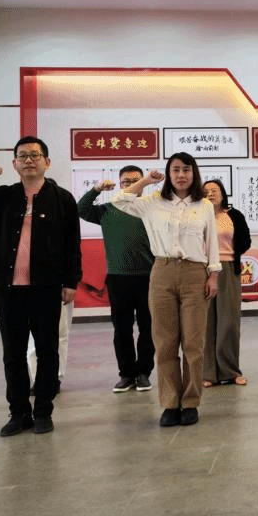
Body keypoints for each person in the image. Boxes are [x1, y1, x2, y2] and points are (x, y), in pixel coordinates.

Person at [0, 136, 81, 436]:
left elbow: (72, 243)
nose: (29, 160)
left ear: (47, 162)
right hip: (9, 291)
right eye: (23, 156)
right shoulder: (0, 198)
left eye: (35, 155)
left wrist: (71, 281)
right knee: (13, 354)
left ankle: (43, 411)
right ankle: (18, 413)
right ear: (15, 164)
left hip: (46, 289)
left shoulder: (63, 199)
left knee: (48, 351)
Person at [112, 153, 220, 427]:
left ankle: (191, 402)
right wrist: (146, 181)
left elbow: (212, 242)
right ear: (168, 174)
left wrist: (213, 275)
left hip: (195, 273)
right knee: (165, 342)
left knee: (193, 343)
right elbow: (119, 200)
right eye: (175, 170)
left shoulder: (204, 205)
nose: (181, 175)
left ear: (194, 173)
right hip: (162, 271)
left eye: (186, 170)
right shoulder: (152, 202)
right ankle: (170, 403)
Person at [78, 165, 156, 393]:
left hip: (149, 277)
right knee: (121, 329)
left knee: (148, 328)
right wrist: (96, 189)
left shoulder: (151, 208)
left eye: (136, 180)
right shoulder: (107, 210)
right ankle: (126, 374)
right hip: (118, 278)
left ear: (143, 183)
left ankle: (143, 373)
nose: (131, 185)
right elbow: (81, 209)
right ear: (120, 185)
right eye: (126, 182)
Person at [201, 178, 252, 387]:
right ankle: (208, 373)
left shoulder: (234, 215)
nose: (211, 193)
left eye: (215, 190)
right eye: (206, 191)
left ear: (223, 194)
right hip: (202, 270)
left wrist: (230, 254)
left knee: (229, 322)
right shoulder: (197, 215)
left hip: (228, 269)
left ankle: (230, 371)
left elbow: (245, 240)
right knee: (205, 323)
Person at [27, 301, 73, 394]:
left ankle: (55, 377)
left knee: (60, 332)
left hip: (57, 294)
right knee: (32, 335)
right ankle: (37, 378)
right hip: (29, 294)